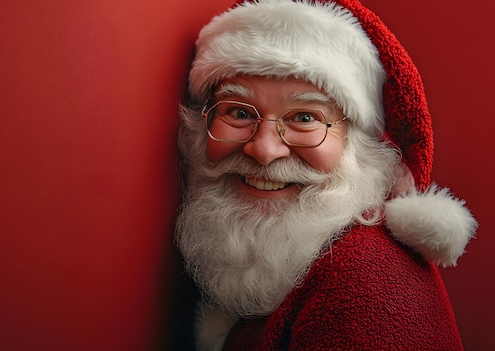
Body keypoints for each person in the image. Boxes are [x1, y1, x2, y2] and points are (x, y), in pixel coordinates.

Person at [174, 0, 478, 350]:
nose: (264, 149)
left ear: (358, 144)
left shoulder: (370, 291)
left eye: (304, 118)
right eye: (239, 112)